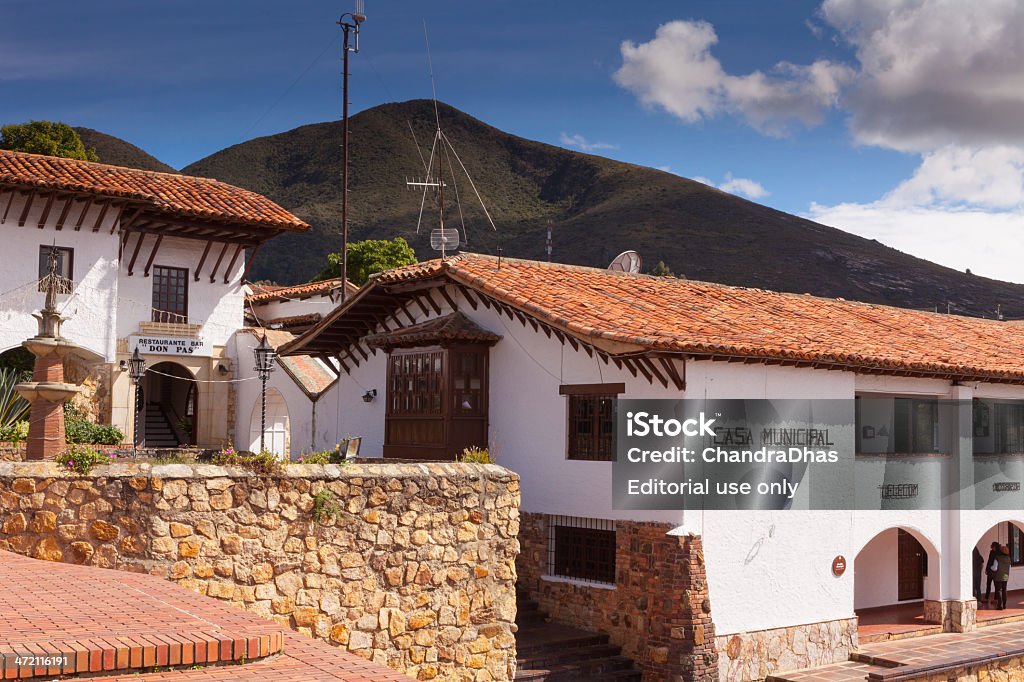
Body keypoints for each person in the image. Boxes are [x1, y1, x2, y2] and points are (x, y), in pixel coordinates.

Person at [995, 544, 1012, 610]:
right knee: (1004, 590)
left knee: (999, 590)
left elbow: (995, 568)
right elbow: (1009, 567)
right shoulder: (1008, 559)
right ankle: (1004, 605)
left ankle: (1000, 605)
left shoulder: (998, 558)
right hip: (1006, 576)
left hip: (999, 576)